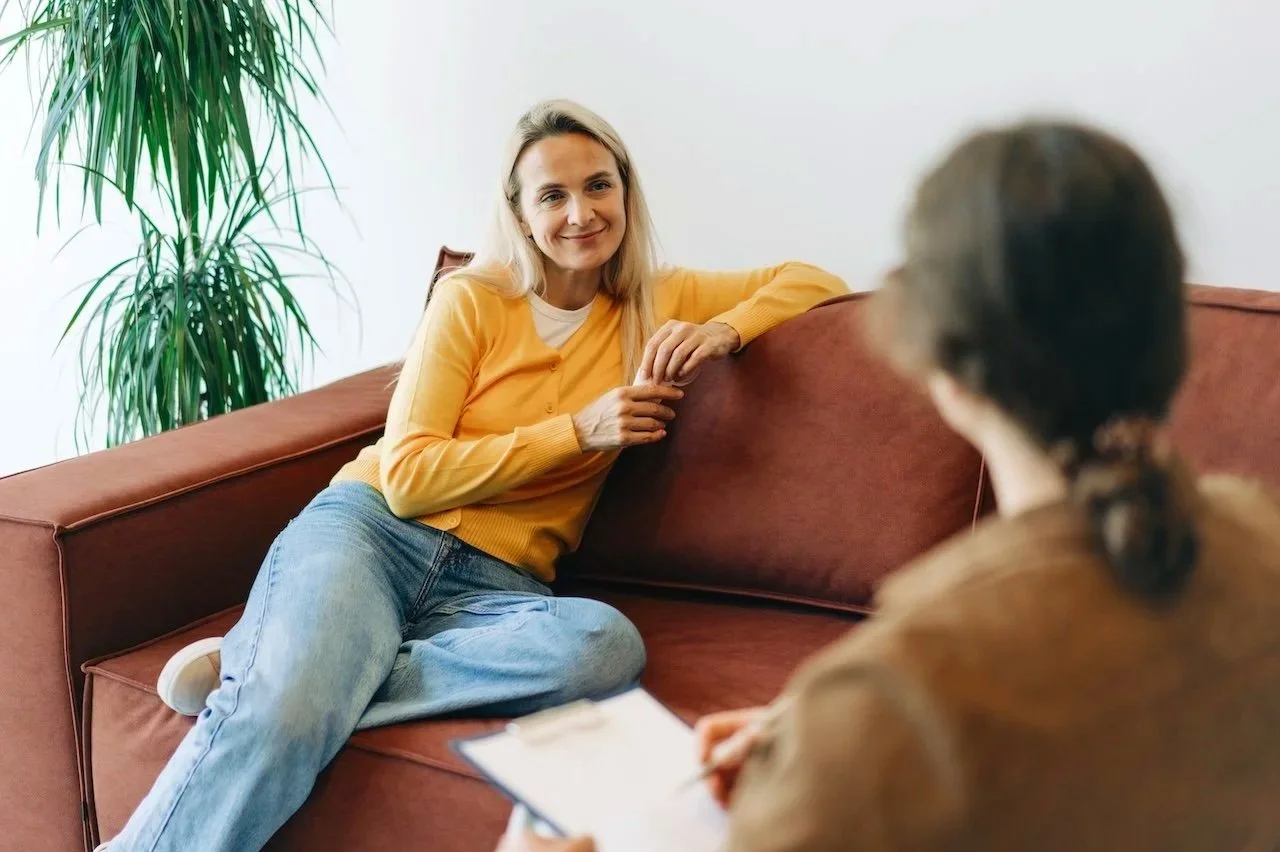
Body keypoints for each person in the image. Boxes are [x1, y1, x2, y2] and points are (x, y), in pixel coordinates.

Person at [498, 121, 1280, 852]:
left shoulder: (904, 683)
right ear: (1175, 332)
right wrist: (824, 734)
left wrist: (849, 733)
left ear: (939, 363)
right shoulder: (1260, 540)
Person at [96, 99, 846, 852]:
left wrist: (721, 329)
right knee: (283, 716)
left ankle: (287, 665)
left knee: (603, 648)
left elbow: (812, 280)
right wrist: (577, 432)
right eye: (552, 195)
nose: (580, 213)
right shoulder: (471, 300)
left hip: (497, 591)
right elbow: (411, 477)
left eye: (598, 186)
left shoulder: (658, 299)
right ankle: (286, 681)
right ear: (519, 215)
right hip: (370, 535)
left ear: (626, 192)